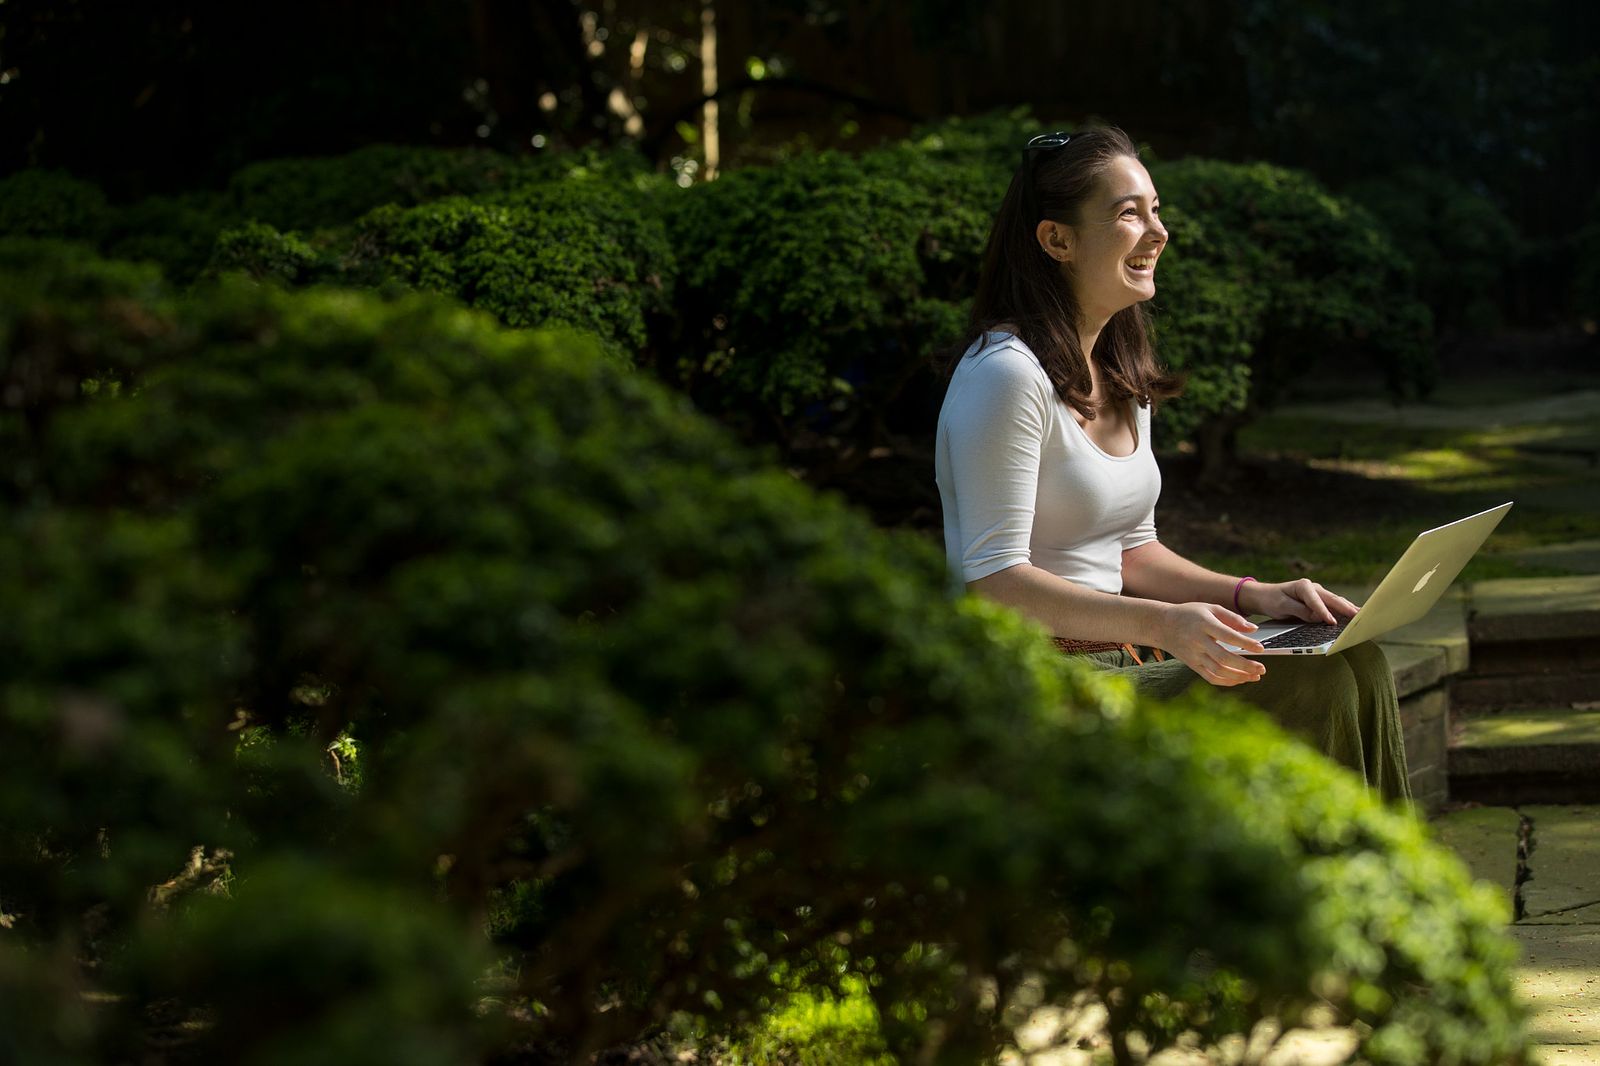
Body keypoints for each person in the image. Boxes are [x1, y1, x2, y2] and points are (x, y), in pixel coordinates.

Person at [934, 126, 1411, 804]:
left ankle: (1384, 893)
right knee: (1315, 681)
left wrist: (1254, 595)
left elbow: (1131, 550)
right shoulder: (1005, 377)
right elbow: (993, 585)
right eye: (1129, 213)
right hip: (1042, 683)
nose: (1157, 231)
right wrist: (1164, 623)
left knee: (1354, 654)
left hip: (1128, 657)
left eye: (1156, 210)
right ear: (1056, 240)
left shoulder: (1120, 372)